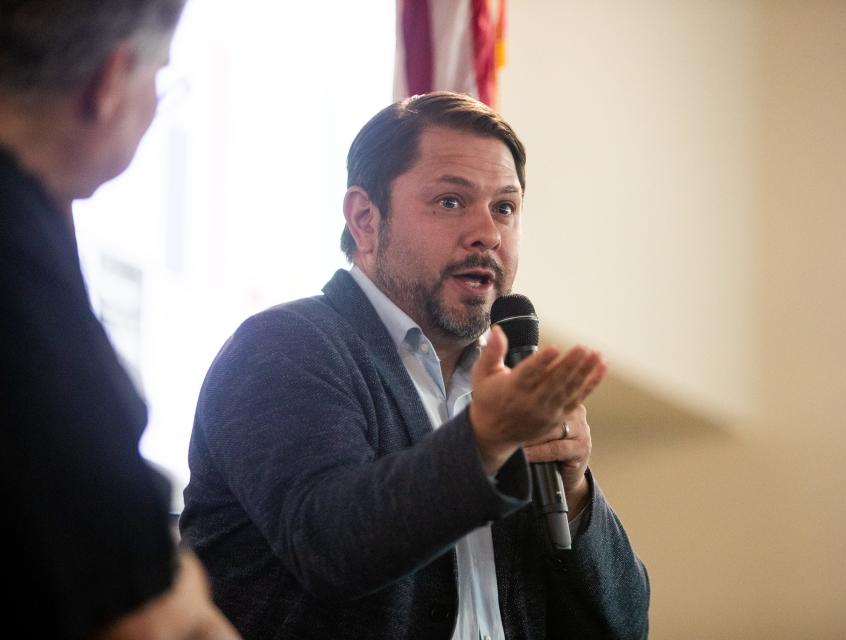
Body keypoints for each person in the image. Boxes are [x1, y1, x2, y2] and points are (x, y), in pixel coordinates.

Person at [180, 91, 650, 639]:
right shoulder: (284, 347)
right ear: (364, 218)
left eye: (505, 207)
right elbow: (333, 546)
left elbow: (625, 626)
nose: (488, 234)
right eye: (450, 202)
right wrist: (482, 443)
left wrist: (572, 494)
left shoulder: (501, 385)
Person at [0, 1, 239, 638]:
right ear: (111, 81)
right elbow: (137, 607)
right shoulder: (19, 265)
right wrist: (184, 592)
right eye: (158, 80)